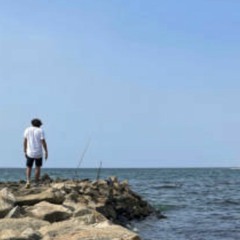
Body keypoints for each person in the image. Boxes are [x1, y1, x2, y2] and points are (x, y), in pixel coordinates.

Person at [23, 118, 48, 188]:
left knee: (29, 167)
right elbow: (43, 142)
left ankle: (28, 181)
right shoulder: (40, 130)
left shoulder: (27, 130)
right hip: (38, 152)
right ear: (39, 124)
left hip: (29, 152)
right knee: (38, 167)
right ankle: (36, 182)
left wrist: (24, 150)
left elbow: (25, 141)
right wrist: (46, 151)